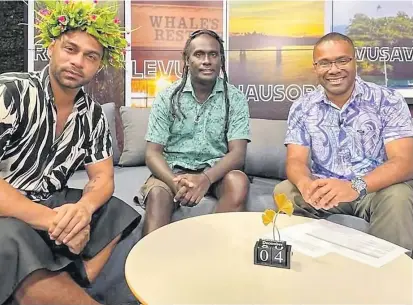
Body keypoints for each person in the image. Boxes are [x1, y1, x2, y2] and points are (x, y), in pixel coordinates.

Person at [0, 1, 141, 304]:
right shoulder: (10, 92)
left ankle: (70, 280)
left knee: (116, 210)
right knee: (9, 236)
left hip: (50, 200)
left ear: (99, 65)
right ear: (51, 47)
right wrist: (55, 222)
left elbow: (103, 178)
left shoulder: (92, 114)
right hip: (8, 206)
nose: (78, 61)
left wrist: (83, 211)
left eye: (90, 56)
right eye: (70, 49)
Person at [274, 32, 413, 251]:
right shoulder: (303, 106)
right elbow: (295, 161)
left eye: (342, 60)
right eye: (325, 63)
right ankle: (306, 261)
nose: (334, 70)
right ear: (315, 68)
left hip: (373, 189)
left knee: (399, 196)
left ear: (354, 62)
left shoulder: (387, 100)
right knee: (285, 189)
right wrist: (306, 184)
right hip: (324, 190)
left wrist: (354, 187)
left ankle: (389, 277)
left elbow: (404, 162)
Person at [137, 29, 251, 236]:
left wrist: (206, 179)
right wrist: (174, 182)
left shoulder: (235, 98)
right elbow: (152, 153)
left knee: (238, 180)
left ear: (221, 60)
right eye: (199, 54)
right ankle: (149, 265)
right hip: (172, 172)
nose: (207, 60)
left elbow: (238, 154)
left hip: (216, 173)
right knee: (157, 194)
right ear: (187, 60)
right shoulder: (167, 98)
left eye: (213, 54)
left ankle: (213, 254)